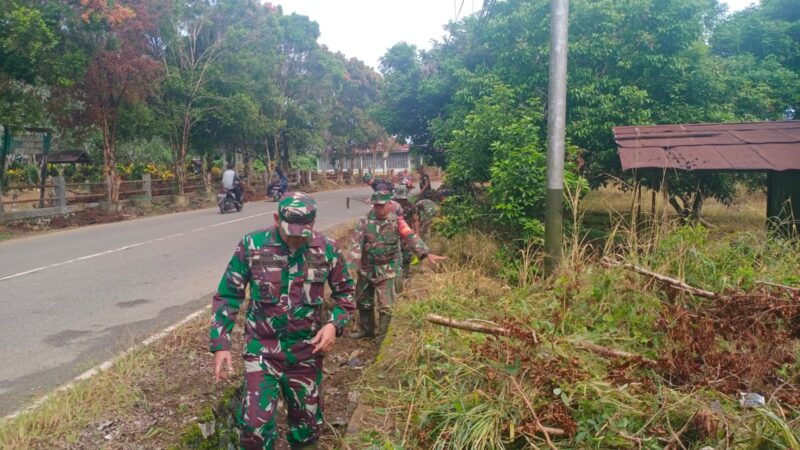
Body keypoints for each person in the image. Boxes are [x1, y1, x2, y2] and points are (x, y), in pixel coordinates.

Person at [210, 192, 355, 450]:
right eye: (291, 233)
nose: (297, 240)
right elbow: (228, 295)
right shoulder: (252, 246)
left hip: (306, 353)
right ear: (277, 219)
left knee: (307, 428)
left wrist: (333, 324)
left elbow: (346, 294)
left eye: (303, 233)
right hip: (262, 352)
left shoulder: (326, 249)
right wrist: (221, 344)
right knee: (254, 428)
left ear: (313, 222)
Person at [349, 190, 446, 341]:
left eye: (382, 205)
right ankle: (366, 330)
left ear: (389, 204)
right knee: (363, 302)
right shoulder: (364, 222)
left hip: (387, 269)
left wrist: (426, 253)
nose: (379, 209)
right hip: (366, 269)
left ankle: (382, 337)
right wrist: (353, 265)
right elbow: (356, 244)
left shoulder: (396, 221)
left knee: (386, 306)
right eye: (376, 205)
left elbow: (410, 236)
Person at [391, 185, 415, 294]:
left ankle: (404, 278)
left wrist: (416, 234)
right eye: (399, 199)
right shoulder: (391, 207)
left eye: (403, 199)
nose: (401, 201)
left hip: (406, 234)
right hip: (393, 237)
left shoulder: (411, 206)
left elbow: (416, 220)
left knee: (407, 256)